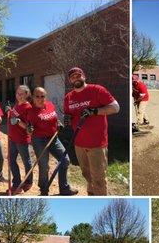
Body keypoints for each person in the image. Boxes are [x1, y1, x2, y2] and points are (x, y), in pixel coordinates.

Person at [64, 67, 120, 196]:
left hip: (97, 144)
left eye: (78, 75)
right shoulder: (68, 97)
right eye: (73, 77)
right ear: (70, 80)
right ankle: (91, 193)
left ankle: (100, 197)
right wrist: (67, 119)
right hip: (78, 143)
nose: (76, 78)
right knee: (86, 174)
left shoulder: (97, 90)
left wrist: (95, 111)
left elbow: (115, 107)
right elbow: (68, 114)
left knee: (98, 178)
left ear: (84, 76)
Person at [27, 87, 78, 196]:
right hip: (39, 140)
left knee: (65, 160)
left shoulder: (50, 105)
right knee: (44, 166)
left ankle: (64, 188)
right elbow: (29, 127)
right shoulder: (31, 111)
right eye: (37, 96)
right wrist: (29, 129)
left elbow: (54, 119)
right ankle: (44, 190)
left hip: (53, 138)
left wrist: (58, 124)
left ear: (46, 97)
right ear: (33, 97)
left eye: (43, 96)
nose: (40, 99)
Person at [6, 85, 33, 195]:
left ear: (27, 94)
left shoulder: (28, 108)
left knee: (27, 162)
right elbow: (13, 116)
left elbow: (29, 128)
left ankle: (28, 181)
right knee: (11, 160)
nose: (19, 96)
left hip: (22, 140)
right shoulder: (17, 105)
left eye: (22, 94)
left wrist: (18, 121)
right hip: (12, 138)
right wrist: (10, 111)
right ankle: (16, 183)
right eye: (17, 93)